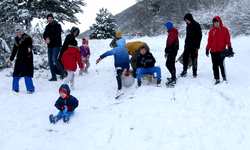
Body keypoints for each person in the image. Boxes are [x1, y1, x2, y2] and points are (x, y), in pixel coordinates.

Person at [205, 16, 233, 84]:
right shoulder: (211, 31)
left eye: (217, 22)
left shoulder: (225, 30)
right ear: (213, 23)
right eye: (215, 22)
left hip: (221, 51)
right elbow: (209, 41)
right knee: (214, 65)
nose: (216, 23)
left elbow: (227, 40)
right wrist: (207, 49)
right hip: (213, 51)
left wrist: (229, 47)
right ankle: (217, 79)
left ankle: (224, 77)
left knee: (221, 64)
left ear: (220, 22)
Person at [9, 25, 35, 94]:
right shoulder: (16, 39)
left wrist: (29, 48)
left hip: (27, 57)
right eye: (17, 32)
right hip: (19, 58)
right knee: (16, 73)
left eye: (19, 32)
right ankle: (15, 88)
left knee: (27, 73)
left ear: (21, 31)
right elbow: (14, 50)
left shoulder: (27, 37)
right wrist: (11, 59)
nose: (18, 33)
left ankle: (30, 89)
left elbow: (30, 43)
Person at [43, 14, 65, 81]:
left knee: (55, 59)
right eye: (48, 18)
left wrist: (50, 39)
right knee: (50, 61)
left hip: (56, 45)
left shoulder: (57, 25)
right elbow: (44, 34)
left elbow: (58, 35)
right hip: (50, 46)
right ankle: (53, 76)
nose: (50, 19)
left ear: (53, 18)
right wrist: (46, 39)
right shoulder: (47, 27)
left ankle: (62, 73)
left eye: (51, 18)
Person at [180, 13, 202, 78]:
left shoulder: (196, 25)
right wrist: (185, 43)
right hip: (187, 45)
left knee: (194, 59)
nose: (186, 21)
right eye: (185, 20)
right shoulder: (187, 26)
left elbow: (199, 35)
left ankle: (194, 72)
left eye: (187, 20)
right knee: (185, 58)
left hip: (194, 46)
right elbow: (187, 36)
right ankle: (184, 71)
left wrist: (198, 44)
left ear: (190, 19)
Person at [164, 21, 179, 87]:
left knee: (169, 64)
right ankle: (173, 77)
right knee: (170, 64)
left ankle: (173, 78)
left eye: (166, 27)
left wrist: (167, 49)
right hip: (173, 50)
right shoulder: (171, 32)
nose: (165, 28)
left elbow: (170, 42)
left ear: (168, 27)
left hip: (172, 50)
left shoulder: (172, 33)